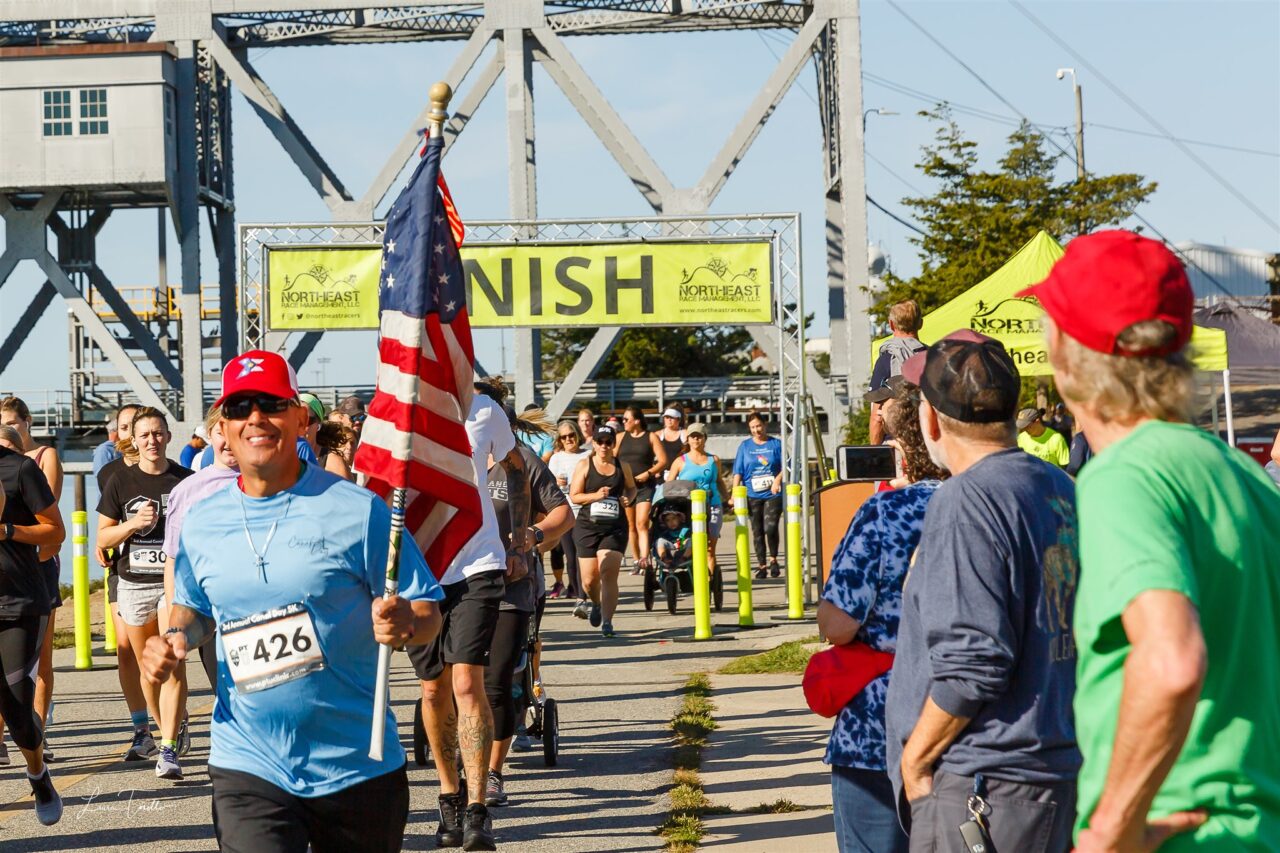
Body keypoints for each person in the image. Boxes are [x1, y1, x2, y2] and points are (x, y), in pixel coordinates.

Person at [1028, 229, 1280, 851]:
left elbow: (1171, 662)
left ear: (1064, 351)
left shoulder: (1124, 478)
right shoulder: (1242, 475)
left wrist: (1111, 827)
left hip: (1180, 829)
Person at [141, 349, 443, 853]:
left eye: (270, 404)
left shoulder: (358, 510)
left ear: (301, 418)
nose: (255, 418)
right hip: (248, 762)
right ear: (224, 426)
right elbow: (194, 611)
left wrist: (405, 623)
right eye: (240, 408)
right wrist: (174, 638)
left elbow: (428, 612)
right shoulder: (203, 519)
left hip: (357, 763)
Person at [885, 329, 1080, 853]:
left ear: (929, 418)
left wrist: (915, 761)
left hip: (984, 783)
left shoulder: (966, 499)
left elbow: (973, 662)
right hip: (1045, 772)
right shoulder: (1058, 485)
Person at [819, 379, 947, 853]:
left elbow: (838, 623)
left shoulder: (885, 513)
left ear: (899, 450)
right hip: (978, 729)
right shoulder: (988, 502)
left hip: (880, 726)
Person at [405, 376, 530, 851]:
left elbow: (515, 467)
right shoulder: (397, 414)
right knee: (434, 687)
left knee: (466, 682)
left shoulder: (483, 410)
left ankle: (478, 808)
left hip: (477, 561)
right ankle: (449, 796)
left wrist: (517, 535)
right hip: (421, 566)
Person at [479, 400, 573, 808]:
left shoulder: (525, 461)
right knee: (461, 684)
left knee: (496, 681)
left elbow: (563, 514)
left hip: (511, 584)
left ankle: (492, 774)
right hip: (459, 586)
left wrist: (531, 535)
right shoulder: (451, 454)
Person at [97, 407, 194, 780]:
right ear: (133, 441)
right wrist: (132, 524)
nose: (152, 440)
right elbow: (103, 537)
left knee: (171, 659)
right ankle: (166, 725)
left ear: (169, 437)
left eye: (158, 433)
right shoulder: (120, 481)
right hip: (134, 582)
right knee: (148, 670)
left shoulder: (186, 480)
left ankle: (168, 748)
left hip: (173, 583)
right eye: (145, 435)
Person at [0, 423, 65, 825]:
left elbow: (54, 531)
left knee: (17, 709)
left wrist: (7, 530)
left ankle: (38, 773)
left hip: (16, 604)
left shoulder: (19, 469)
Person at [161, 406, 239, 716]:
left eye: (235, 431)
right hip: (210, 615)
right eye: (221, 432)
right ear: (209, 435)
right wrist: (173, 624)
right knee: (230, 697)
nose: (229, 441)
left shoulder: (272, 482)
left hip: (266, 613)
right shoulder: (188, 490)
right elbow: (174, 560)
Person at [93, 402, 157, 761]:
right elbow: (106, 524)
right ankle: (141, 729)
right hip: (124, 570)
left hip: (160, 574)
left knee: (157, 653)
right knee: (125, 649)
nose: (129, 431)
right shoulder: (111, 474)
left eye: (135, 423)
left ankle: (171, 721)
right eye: (123, 425)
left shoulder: (167, 472)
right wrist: (103, 544)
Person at [570, 425, 636, 638]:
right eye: (600, 441)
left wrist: (629, 498)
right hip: (587, 526)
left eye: (609, 442)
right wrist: (595, 496)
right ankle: (596, 603)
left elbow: (632, 488)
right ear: (594, 443)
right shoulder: (584, 465)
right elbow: (575, 496)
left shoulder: (622, 465)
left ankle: (607, 622)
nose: (604, 446)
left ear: (613, 444)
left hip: (615, 527)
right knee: (589, 580)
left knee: (609, 572)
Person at [667, 423, 729, 577]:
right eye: (693, 436)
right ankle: (693, 572)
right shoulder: (680, 461)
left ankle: (710, 582)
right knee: (690, 543)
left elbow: (719, 481)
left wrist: (728, 498)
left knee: (709, 548)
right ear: (687, 439)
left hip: (712, 505)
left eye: (699, 436)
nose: (696, 439)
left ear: (704, 438)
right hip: (687, 508)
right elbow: (668, 485)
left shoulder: (713, 460)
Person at [732, 412, 783, 579]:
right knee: (757, 530)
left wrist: (777, 480)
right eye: (753, 427)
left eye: (759, 426)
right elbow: (738, 472)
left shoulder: (776, 444)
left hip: (772, 493)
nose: (756, 430)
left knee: (771, 526)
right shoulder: (745, 447)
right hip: (752, 493)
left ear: (765, 425)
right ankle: (762, 565)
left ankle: (773, 559)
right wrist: (734, 493)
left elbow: (787, 466)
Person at [616, 406, 667, 574]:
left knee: (642, 523)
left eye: (626, 419)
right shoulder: (620, 437)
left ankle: (645, 559)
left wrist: (649, 473)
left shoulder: (650, 437)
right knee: (631, 525)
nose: (623, 422)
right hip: (627, 486)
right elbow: (611, 458)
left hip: (644, 486)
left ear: (636, 420)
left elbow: (662, 460)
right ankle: (636, 560)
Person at [869, 300, 926, 446]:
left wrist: (875, 453)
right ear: (921, 324)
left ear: (891, 324)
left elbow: (877, 416)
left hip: (898, 445)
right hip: (930, 444)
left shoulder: (887, 359)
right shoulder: (936, 357)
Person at [547, 421, 589, 605]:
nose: (568, 439)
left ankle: (586, 592)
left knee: (584, 556)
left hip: (586, 511)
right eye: (564, 437)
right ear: (559, 440)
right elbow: (547, 487)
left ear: (578, 435)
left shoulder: (588, 455)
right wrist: (556, 482)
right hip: (566, 511)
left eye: (571, 435)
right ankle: (579, 594)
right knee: (571, 556)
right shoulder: (556, 458)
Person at [656, 406, 686, 479]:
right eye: (666, 417)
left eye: (672, 417)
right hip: (661, 474)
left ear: (678, 420)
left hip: (680, 474)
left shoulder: (685, 434)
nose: (669, 420)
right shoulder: (657, 435)